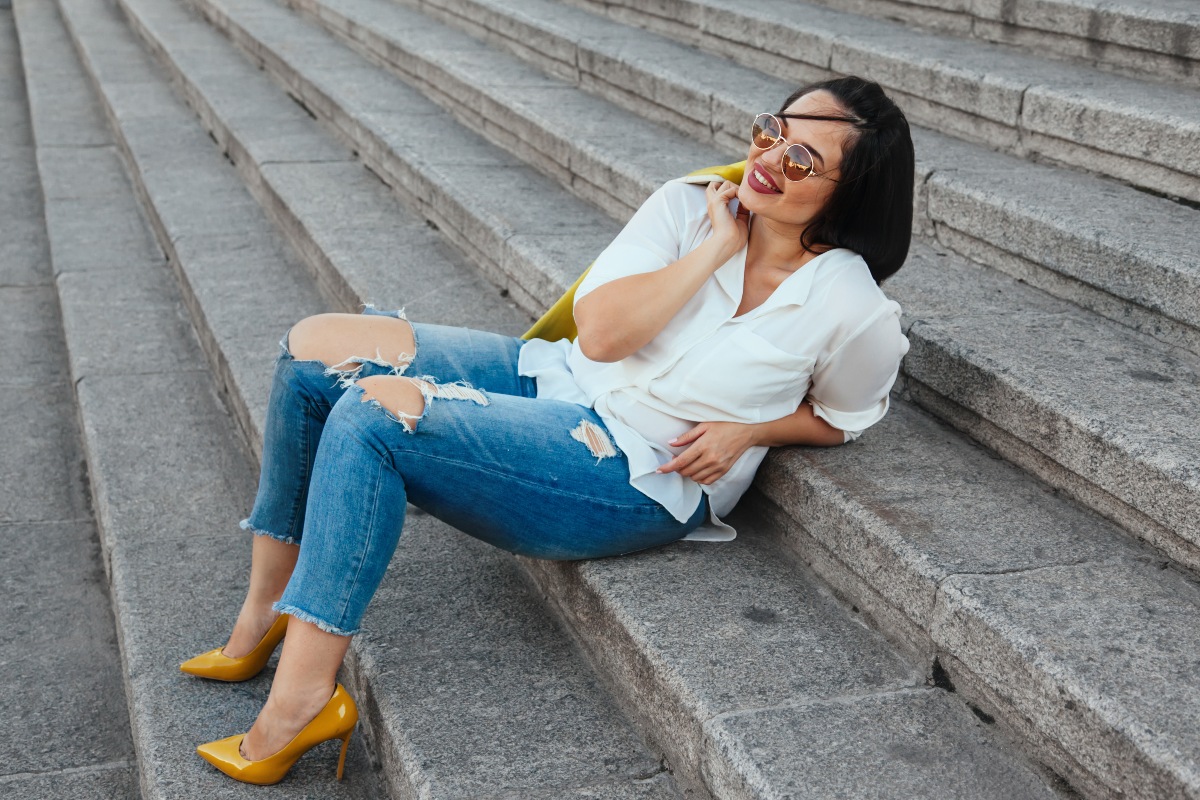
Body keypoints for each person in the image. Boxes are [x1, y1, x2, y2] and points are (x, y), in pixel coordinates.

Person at [181, 75, 915, 785]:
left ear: (846, 195)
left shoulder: (853, 309)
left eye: (798, 162)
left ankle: (303, 701)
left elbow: (843, 417)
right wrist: (718, 248)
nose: (765, 160)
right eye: (770, 132)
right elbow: (598, 334)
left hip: (632, 470)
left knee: (378, 416)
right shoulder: (690, 207)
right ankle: (262, 618)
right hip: (556, 375)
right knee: (314, 349)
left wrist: (753, 430)